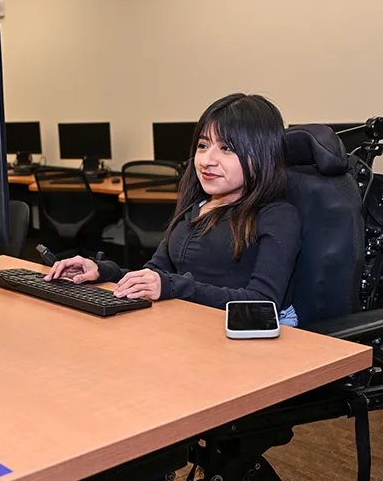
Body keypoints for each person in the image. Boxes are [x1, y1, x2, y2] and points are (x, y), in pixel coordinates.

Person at [44, 93, 301, 325]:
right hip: (194, 324)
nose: (207, 160)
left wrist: (174, 287)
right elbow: (155, 274)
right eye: (202, 145)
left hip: (249, 336)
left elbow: (261, 303)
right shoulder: (197, 208)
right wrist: (104, 272)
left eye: (227, 148)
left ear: (262, 155)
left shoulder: (277, 216)